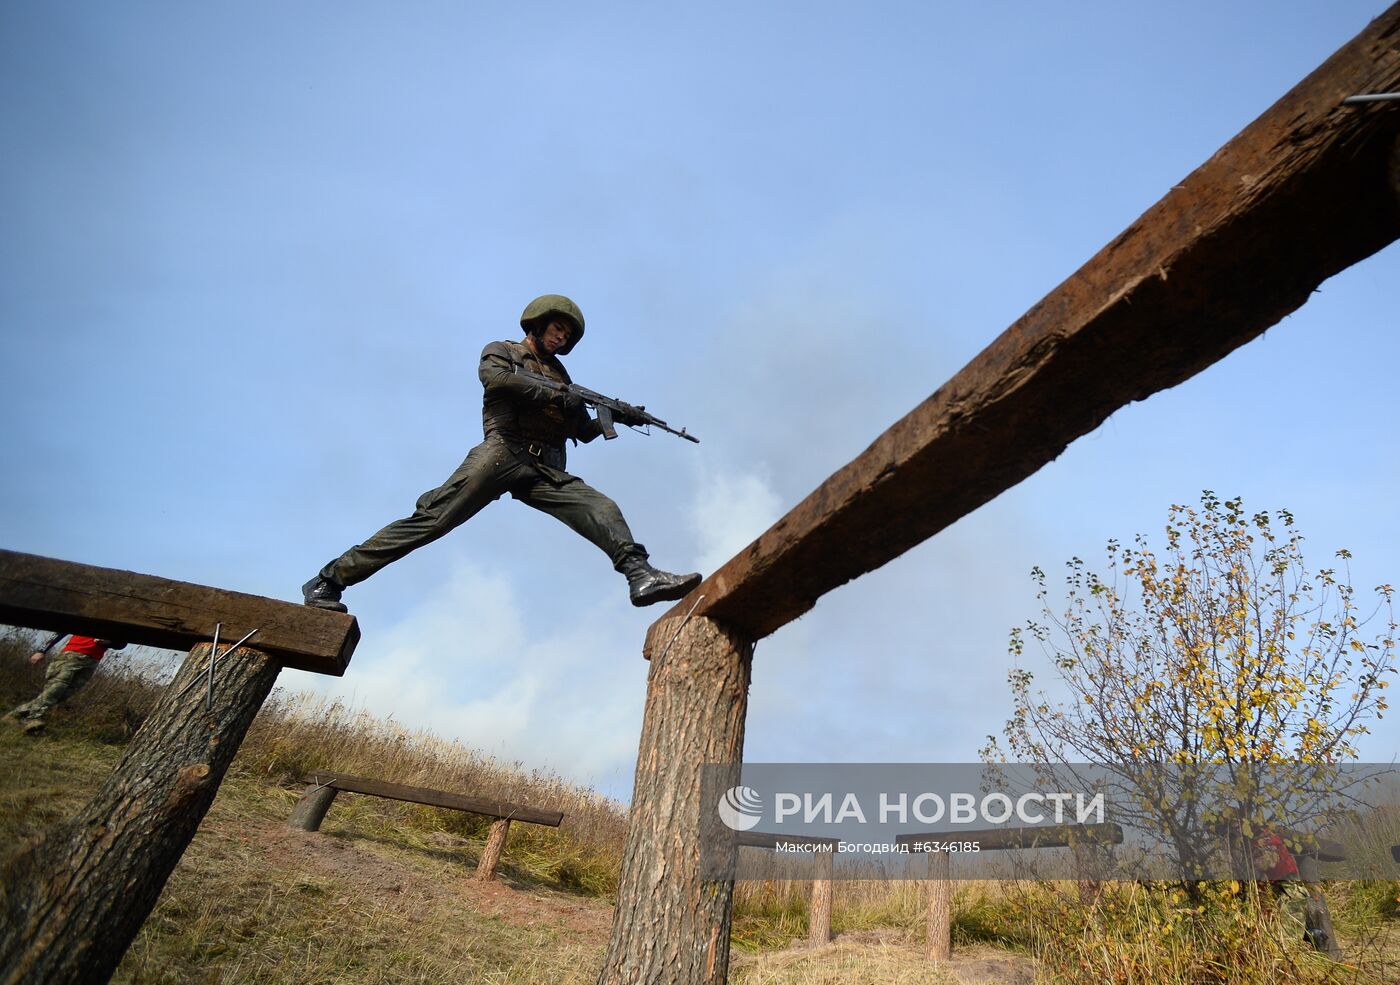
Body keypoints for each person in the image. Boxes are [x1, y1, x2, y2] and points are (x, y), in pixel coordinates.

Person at [302, 294, 702, 613]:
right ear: (539, 323)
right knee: (432, 521)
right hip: (501, 453)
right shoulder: (504, 351)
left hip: (542, 469)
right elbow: (495, 380)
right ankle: (330, 579)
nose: (561, 338)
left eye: (567, 335)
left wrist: (616, 416)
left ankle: (640, 575)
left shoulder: (563, 376)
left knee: (602, 508)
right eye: (557, 329)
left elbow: (583, 430)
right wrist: (558, 394)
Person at [4, 633, 127, 733]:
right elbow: (60, 632)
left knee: (65, 693)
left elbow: (122, 644)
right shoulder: (92, 612)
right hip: (72, 654)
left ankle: (17, 714)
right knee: (56, 689)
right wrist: (42, 650)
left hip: (93, 661)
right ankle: (31, 719)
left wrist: (108, 643)